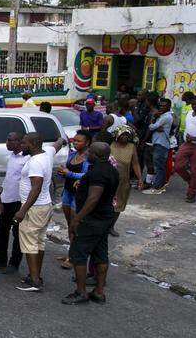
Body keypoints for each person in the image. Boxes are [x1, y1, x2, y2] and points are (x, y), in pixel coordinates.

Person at [64, 142, 119, 304]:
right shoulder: (111, 170)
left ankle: (81, 292)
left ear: (97, 155)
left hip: (92, 219)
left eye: (91, 152)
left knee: (78, 254)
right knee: (100, 254)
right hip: (105, 217)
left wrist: (78, 218)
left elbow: (94, 197)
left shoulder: (98, 172)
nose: (88, 153)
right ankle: (99, 292)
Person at [14, 132, 60, 293]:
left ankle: (34, 281)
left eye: (24, 143)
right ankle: (36, 275)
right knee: (39, 242)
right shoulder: (46, 154)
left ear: (33, 144)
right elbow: (58, 144)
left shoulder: (35, 162)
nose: (21, 146)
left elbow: (36, 187)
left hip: (33, 208)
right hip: (44, 206)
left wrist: (23, 210)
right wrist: (62, 140)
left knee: (30, 244)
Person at [0, 130, 26, 273]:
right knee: (2, 230)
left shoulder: (26, 159)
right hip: (7, 199)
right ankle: (0, 259)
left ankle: (14, 263)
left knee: (17, 232)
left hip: (18, 201)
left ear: (20, 142)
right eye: (7, 140)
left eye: (11, 140)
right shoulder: (12, 156)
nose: (7, 143)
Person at [57, 130, 91, 269]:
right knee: (70, 223)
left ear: (87, 143)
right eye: (74, 140)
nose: (75, 142)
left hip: (79, 195)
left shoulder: (89, 157)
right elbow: (67, 172)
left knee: (75, 225)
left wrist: (69, 173)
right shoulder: (73, 154)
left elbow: (88, 175)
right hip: (68, 191)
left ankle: (74, 257)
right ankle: (71, 252)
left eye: (79, 141)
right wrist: (63, 172)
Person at [109, 125, 144, 235]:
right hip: (108, 180)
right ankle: (103, 226)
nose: (125, 137)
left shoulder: (131, 147)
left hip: (123, 181)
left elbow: (135, 163)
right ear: (117, 135)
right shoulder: (110, 145)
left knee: (119, 205)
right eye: (123, 134)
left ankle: (111, 227)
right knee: (106, 203)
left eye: (127, 135)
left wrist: (140, 179)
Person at [173, 94, 196, 203]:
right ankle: (192, 182)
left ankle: (192, 193)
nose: (194, 106)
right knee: (178, 166)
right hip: (187, 144)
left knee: (195, 170)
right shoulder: (189, 113)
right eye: (193, 104)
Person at [146, 98, 174, 194]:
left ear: (169, 106)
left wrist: (153, 118)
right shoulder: (163, 115)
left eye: (164, 105)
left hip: (161, 143)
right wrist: (156, 126)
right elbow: (155, 127)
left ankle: (157, 187)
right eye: (160, 105)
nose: (161, 107)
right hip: (159, 142)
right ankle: (160, 186)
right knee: (160, 166)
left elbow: (151, 127)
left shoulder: (166, 117)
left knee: (159, 166)